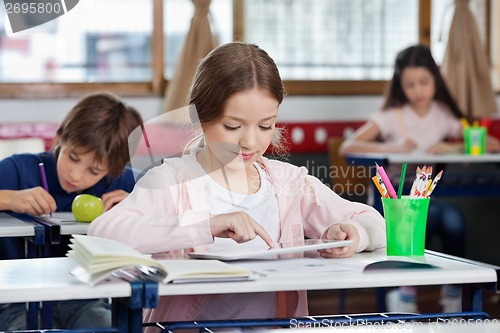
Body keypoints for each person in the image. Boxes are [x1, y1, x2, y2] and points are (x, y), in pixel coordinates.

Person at [88, 41, 386, 328]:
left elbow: (375, 224)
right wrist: (206, 224)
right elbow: (102, 234)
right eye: (233, 126)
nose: (250, 141)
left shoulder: (289, 184)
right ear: (201, 117)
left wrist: (353, 233)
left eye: (265, 126)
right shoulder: (172, 181)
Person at [340, 45, 500, 313]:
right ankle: (405, 292)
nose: (418, 90)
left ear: (435, 81)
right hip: (393, 200)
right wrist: (394, 148)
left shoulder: (442, 115)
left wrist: (455, 147)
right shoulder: (392, 117)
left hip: (425, 196)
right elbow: (348, 146)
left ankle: (452, 292)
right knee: (425, 218)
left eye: (424, 82)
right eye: (410, 84)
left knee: (453, 222)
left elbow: (490, 143)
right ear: (401, 86)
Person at [0, 92, 143, 330]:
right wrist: (9, 198)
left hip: (87, 297)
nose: (76, 175)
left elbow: (178, 216)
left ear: (114, 170)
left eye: (95, 171)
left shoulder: (123, 184)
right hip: (18, 299)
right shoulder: (18, 169)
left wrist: (138, 207)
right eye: (73, 157)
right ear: (59, 139)